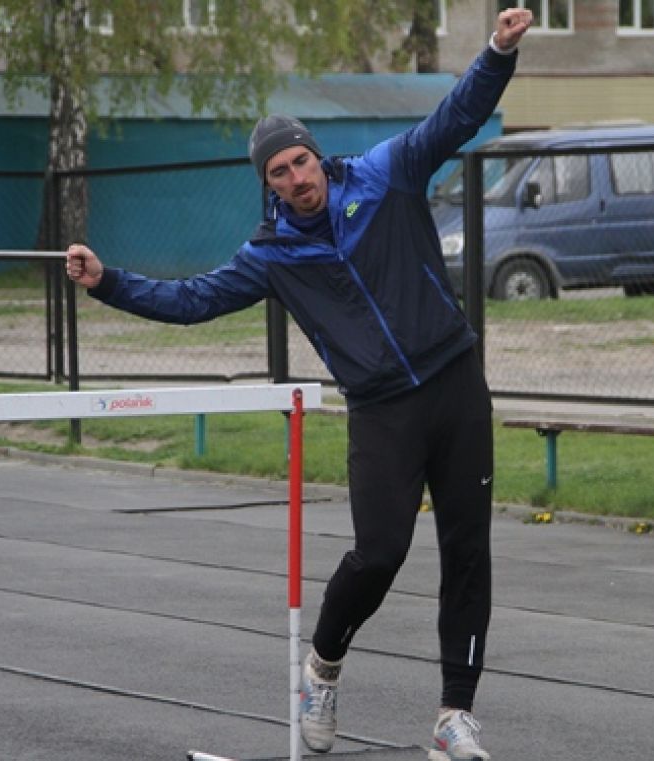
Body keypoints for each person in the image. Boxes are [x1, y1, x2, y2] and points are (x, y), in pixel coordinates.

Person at [66, 9, 532, 759]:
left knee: (467, 550)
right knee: (378, 554)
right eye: (278, 173)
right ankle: (323, 665)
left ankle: (454, 716)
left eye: (300, 162)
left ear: (318, 157)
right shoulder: (271, 254)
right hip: (381, 409)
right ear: (269, 186)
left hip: (454, 384)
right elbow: (192, 300)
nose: (296, 178)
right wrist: (108, 281)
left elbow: (456, 118)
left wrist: (497, 53)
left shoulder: (384, 173)